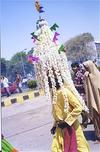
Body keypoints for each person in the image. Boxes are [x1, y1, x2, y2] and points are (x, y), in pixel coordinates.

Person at [83, 60, 100, 143]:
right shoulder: (87, 76)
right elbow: (87, 89)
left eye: (86, 67)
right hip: (93, 102)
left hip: (99, 101)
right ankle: (98, 137)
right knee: (96, 120)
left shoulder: (98, 75)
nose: (85, 69)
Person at [71, 62, 88, 128]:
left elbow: (84, 85)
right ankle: (87, 121)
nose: (73, 68)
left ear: (77, 67)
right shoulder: (74, 74)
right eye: (72, 67)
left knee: (83, 109)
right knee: (83, 109)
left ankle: (84, 123)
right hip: (78, 94)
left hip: (82, 94)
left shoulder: (80, 74)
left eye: (74, 67)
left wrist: (75, 86)